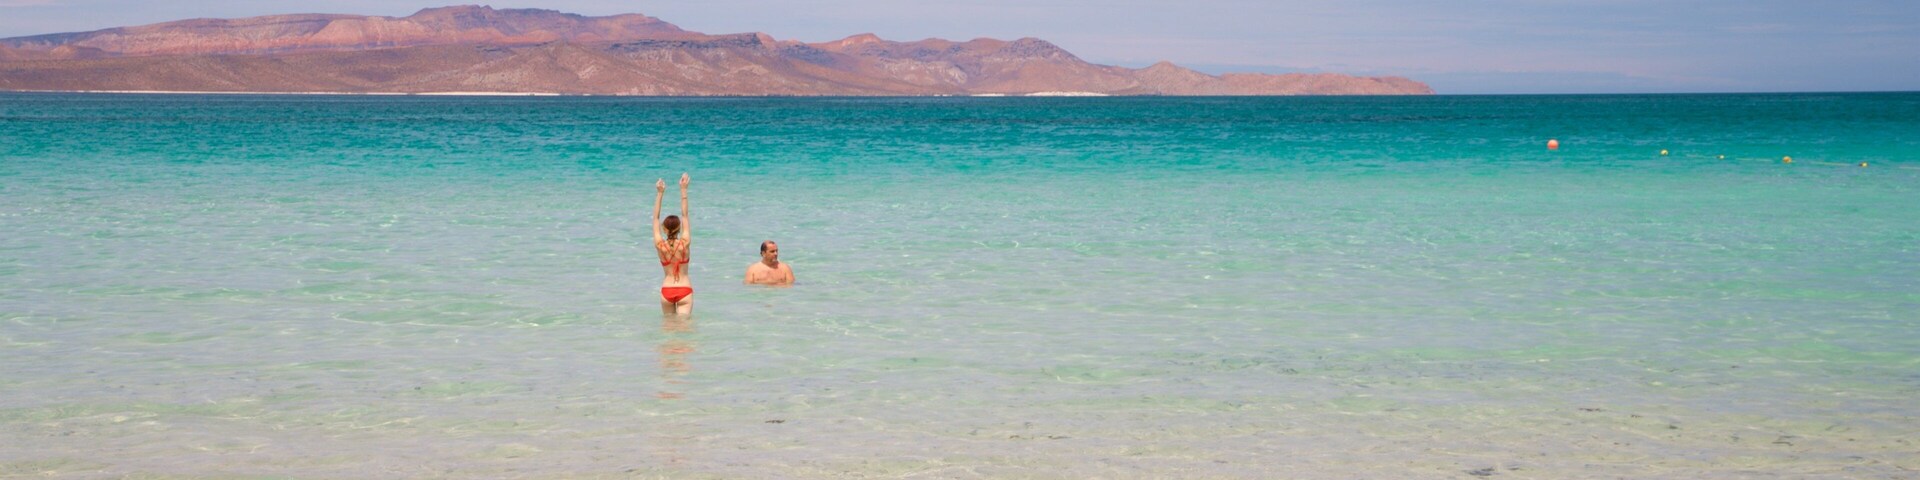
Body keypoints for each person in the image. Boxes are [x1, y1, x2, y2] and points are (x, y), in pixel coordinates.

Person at [653, 173, 693, 315]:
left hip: (666, 289)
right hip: (684, 288)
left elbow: (656, 218)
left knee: (668, 329)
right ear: (680, 228)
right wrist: (683, 189)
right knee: (684, 330)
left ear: (664, 229)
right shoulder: (685, 243)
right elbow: (685, 215)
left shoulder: (660, 245)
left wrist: (660, 193)